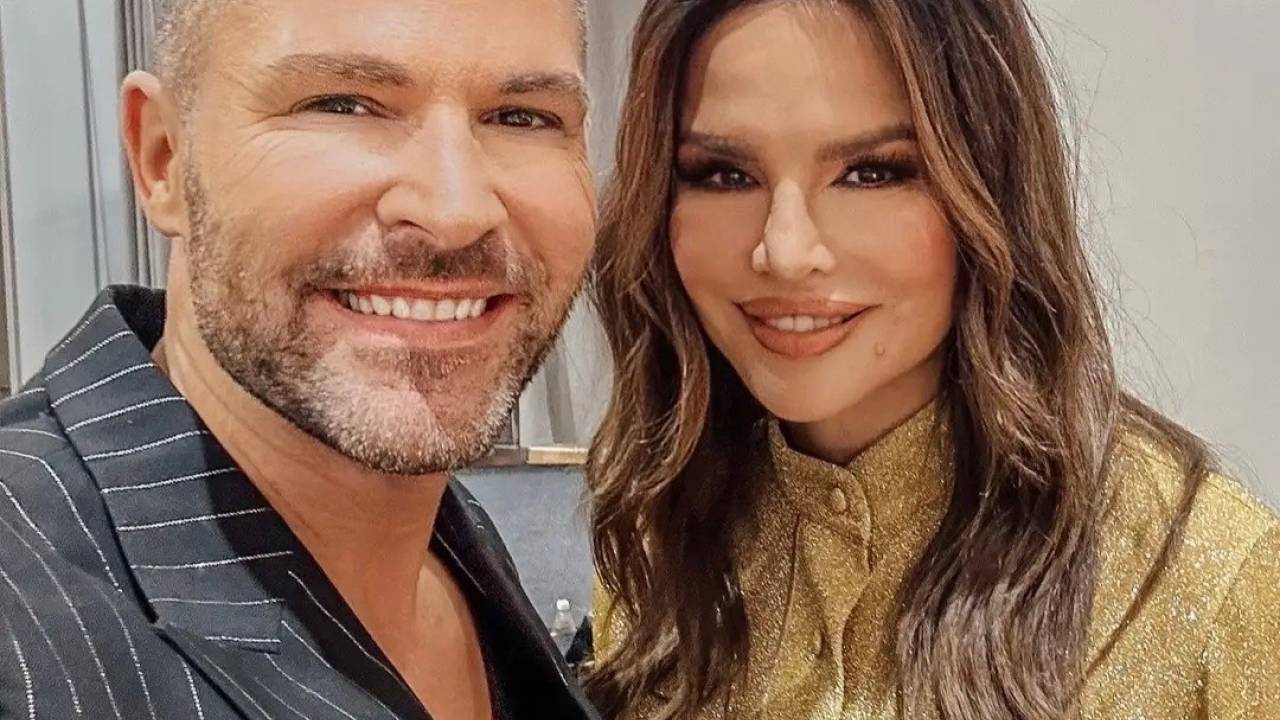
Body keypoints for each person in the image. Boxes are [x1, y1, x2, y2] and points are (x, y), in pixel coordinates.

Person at [585, 1, 1280, 719]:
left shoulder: (1210, 586)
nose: (785, 252)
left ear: (990, 187)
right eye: (724, 175)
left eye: (871, 172)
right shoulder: (660, 547)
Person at [0, 0, 599, 718]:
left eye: (523, 117)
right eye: (342, 105)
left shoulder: (443, 538)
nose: (455, 212)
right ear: (164, 159)